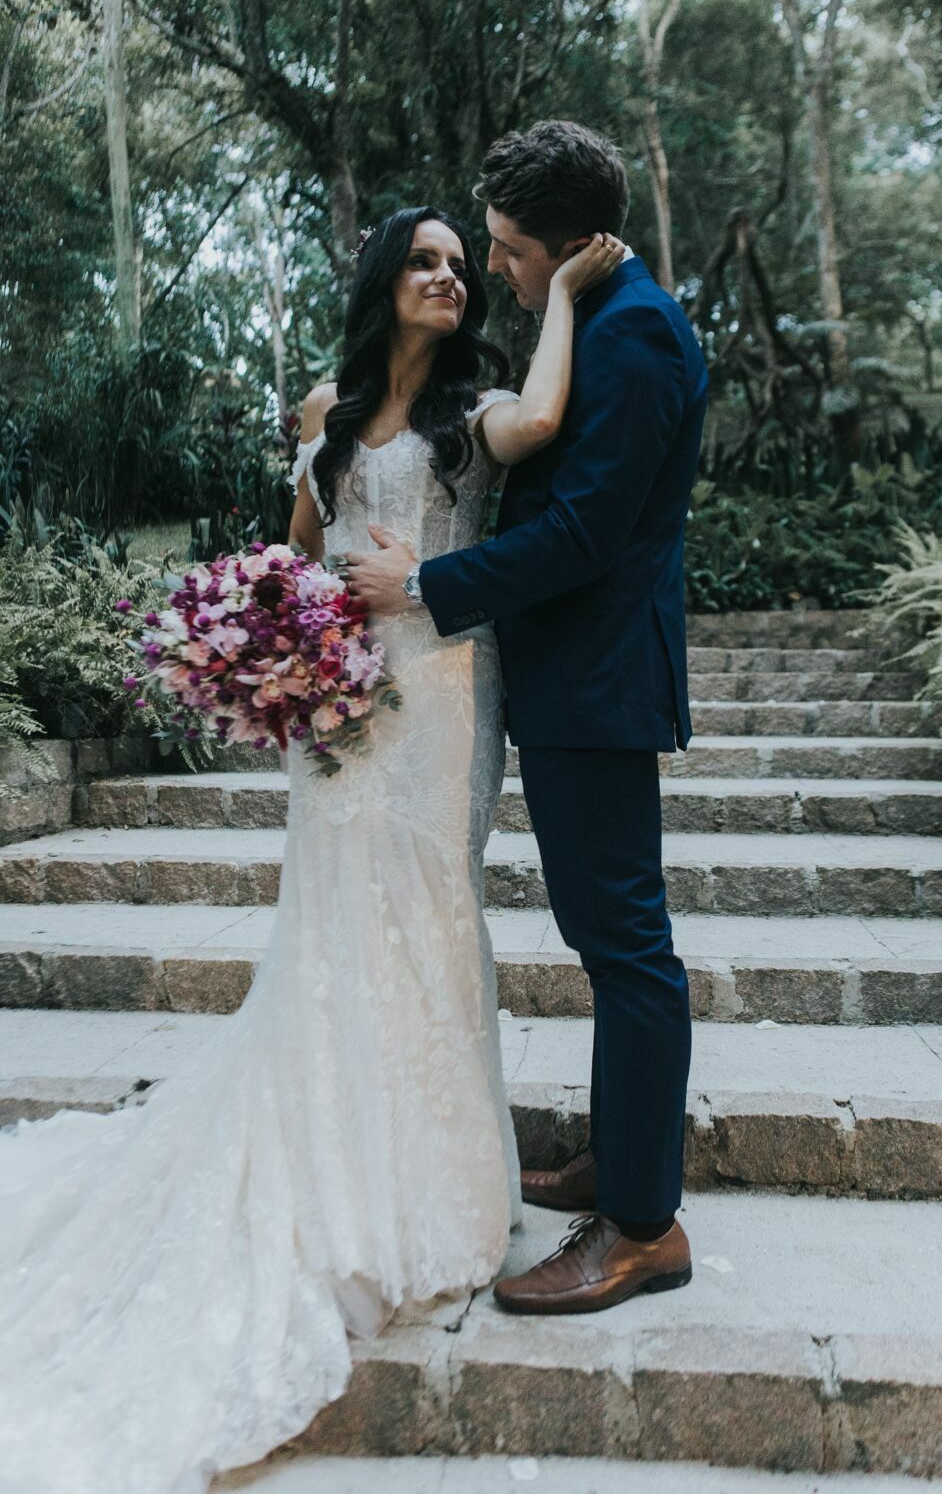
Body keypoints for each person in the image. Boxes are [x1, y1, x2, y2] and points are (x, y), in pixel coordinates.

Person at [0, 203, 623, 1494]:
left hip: (445, 694)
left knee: (430, 910)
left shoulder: (476, 411)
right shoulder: (323, 407)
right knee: (335, 927)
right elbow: (295, 549)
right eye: (428, 261)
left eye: (463, 264)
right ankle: (339, 1166)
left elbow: (550, 421)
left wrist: (559, 289)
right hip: (335, 702)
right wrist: (279, 640)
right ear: (385, 278)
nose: (450, 278)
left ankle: (433, 1181)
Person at [346, 120, 710, 1316]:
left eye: (507, 250)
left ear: (568, 248)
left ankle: (643, 1226)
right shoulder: (603, 315)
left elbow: (585, 533)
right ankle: (623, 1157)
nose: (495, 269)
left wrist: (433, 588)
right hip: (572, 683)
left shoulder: (639, 332)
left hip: (598, 687)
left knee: (626, 948)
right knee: (605, 937)